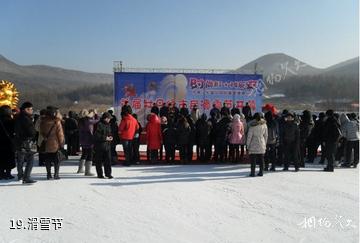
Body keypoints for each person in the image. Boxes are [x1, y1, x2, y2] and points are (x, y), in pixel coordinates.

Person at [14, 102, 37, 184]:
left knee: (20, 159)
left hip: (19, 141)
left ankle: (20, 175)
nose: (32, 110)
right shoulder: (26, 118)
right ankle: (26, 177)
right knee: (30, 159)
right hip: (26, 141)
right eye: (31, 109)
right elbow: (31, 132)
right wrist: (34, 133)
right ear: (26, 109)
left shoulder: (18, 117)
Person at [40, 107, 65, 180]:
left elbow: (41, 131)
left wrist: (45, 137)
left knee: (48, 159)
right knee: (56, 160)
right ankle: (56, 174)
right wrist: (61, 143)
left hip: (47, 142)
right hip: (55, 143)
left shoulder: (43, 121)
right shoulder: (56, 121)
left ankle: (48, 174)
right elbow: (60, 134)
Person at [78, 109, 99, 175]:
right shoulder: (88, 121)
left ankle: (80, 169)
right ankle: (87, 171)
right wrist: (96, 114)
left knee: (84, 154)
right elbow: (97, 120)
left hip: (82, 139)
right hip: (89, 139)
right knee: (90, 155)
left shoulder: (80, 121)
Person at [246, 112, 268, 177]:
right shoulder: (264, 124)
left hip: (253, 143)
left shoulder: (252, 126)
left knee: (253, 160)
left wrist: (247, 145)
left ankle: (252, 173)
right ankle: (261, 172)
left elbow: (249, 136)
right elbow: (266, 135)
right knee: (261, 159)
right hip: (261, 142)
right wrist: (265, 143)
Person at [94, 112, 114, 179]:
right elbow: (96, 136)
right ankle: (100, 174)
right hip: (99, 146)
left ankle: (108, 174)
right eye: (108, 118)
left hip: (107, 145)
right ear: (105, 118)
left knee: (108, 160)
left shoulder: (108, 125)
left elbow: (109, 133)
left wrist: (111, 137)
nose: (109, 120)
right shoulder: (99, 124)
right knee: (99, 161)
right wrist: (105, 138)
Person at [0, 105, 16, 180]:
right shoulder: (11, 121)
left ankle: (1, 173)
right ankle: (8, 173)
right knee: (9, 158)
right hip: (9, 142)